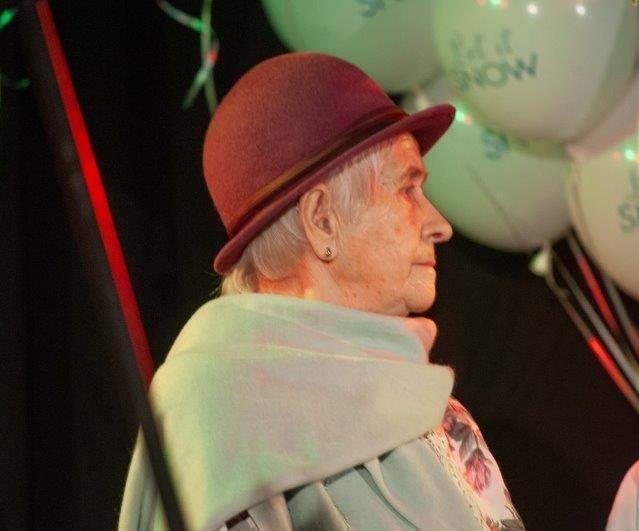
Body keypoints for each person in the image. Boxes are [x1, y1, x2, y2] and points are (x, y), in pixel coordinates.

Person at [119, 52, 524, 531]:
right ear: (323, 221)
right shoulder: (219, 422)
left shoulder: (436, 413)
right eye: (407, 189)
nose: (440, 225)